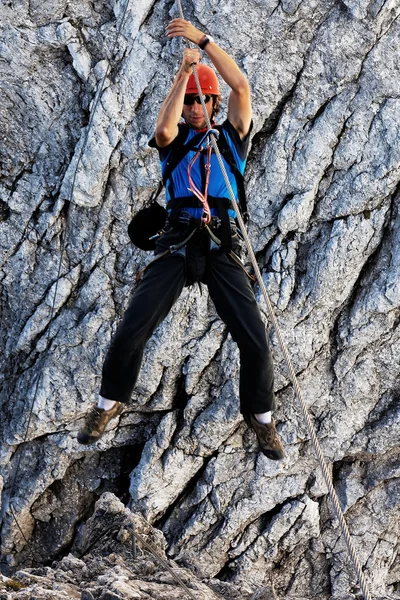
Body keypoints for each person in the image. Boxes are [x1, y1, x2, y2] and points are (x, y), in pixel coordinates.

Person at [78, 18, 284, 460]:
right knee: (131, 330)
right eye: (190, 101)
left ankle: (261, 417)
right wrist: (183, 73)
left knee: (255, 341)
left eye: (200, 101)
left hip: (220, 244)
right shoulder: (174, 143)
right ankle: (106, 404)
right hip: (175, 240)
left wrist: (203, 43)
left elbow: (242, 87)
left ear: (213, 103)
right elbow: (163, 131)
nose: (194, 107)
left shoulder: (231, 139)